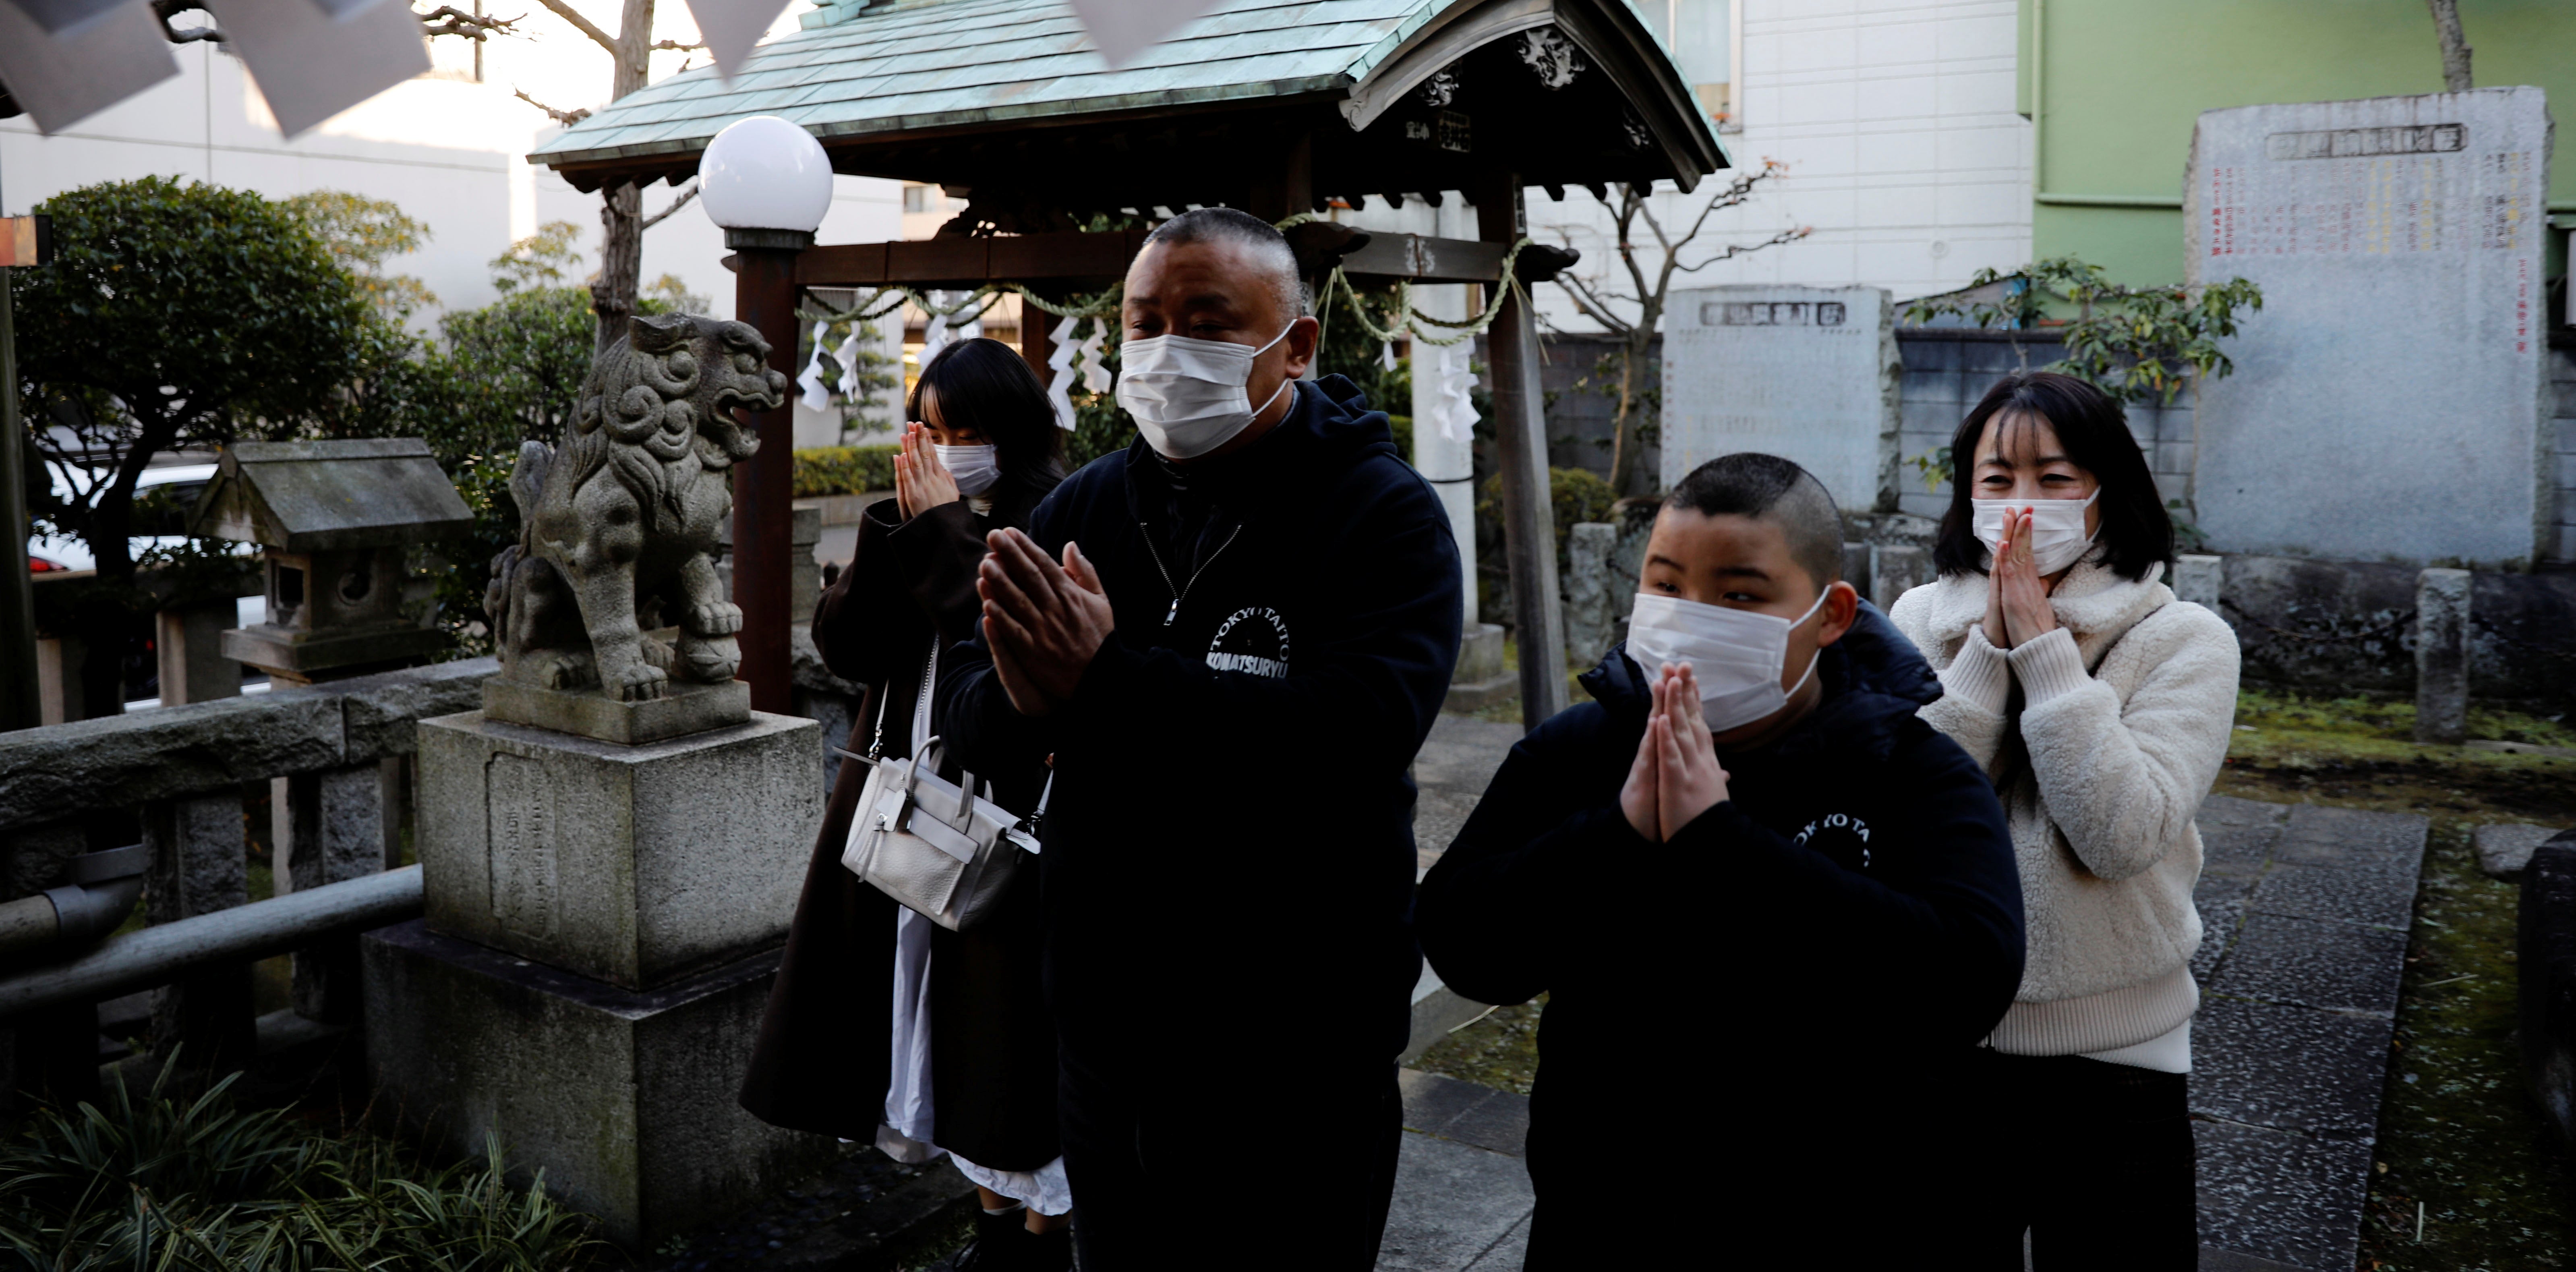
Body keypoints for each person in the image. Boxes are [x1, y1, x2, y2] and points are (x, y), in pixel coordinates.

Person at [941, 207, 1462, 1272]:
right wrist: (1032, 703)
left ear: (1297, 346)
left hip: (1296, 1033)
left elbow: (1350, 734)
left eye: (1206, 320)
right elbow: (971, 718)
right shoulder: (1084, 505)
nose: (1165, 348)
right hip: (1106, 1019)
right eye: (1144, 322)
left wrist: (1104, 679)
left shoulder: (1382, 515)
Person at [1416, 452, 2025, 1269]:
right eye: (1666, 586)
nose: (1692, 618)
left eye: (1740, 596)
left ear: (1832, 613)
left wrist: (1724, 842)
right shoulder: (1580, 752)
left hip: (1853, 1221)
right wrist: (1618, 833)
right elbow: (1466, 945)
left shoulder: (1914, 772)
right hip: (1608, 1218)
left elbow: (1967, 980)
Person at [1889, 371, 2240, 1270]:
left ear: (2106, 491)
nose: (2021, 505)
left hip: (2122, 1058)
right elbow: (1905, 821)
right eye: (1997, 480)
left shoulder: (2184, 640)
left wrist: (2045, 653)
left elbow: (2121, 833)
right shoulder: (1916, 622)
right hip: (1942, 1047)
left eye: (2054, 479)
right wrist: (1984, 658)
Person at [740, 338, 1072, 1271]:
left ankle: (1040, 1233)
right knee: (919, 1016)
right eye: (930, 428)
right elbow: (845, 647)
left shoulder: (1052, 514)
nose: (945, 447)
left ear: (1010, 437)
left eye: (965, 432)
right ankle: (989, 1219)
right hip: (902, 796)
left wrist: (942, 531)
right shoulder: (910, 515)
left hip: (1004, 812)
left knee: (1004, 1028)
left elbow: (1005, 637)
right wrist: (897, 530)